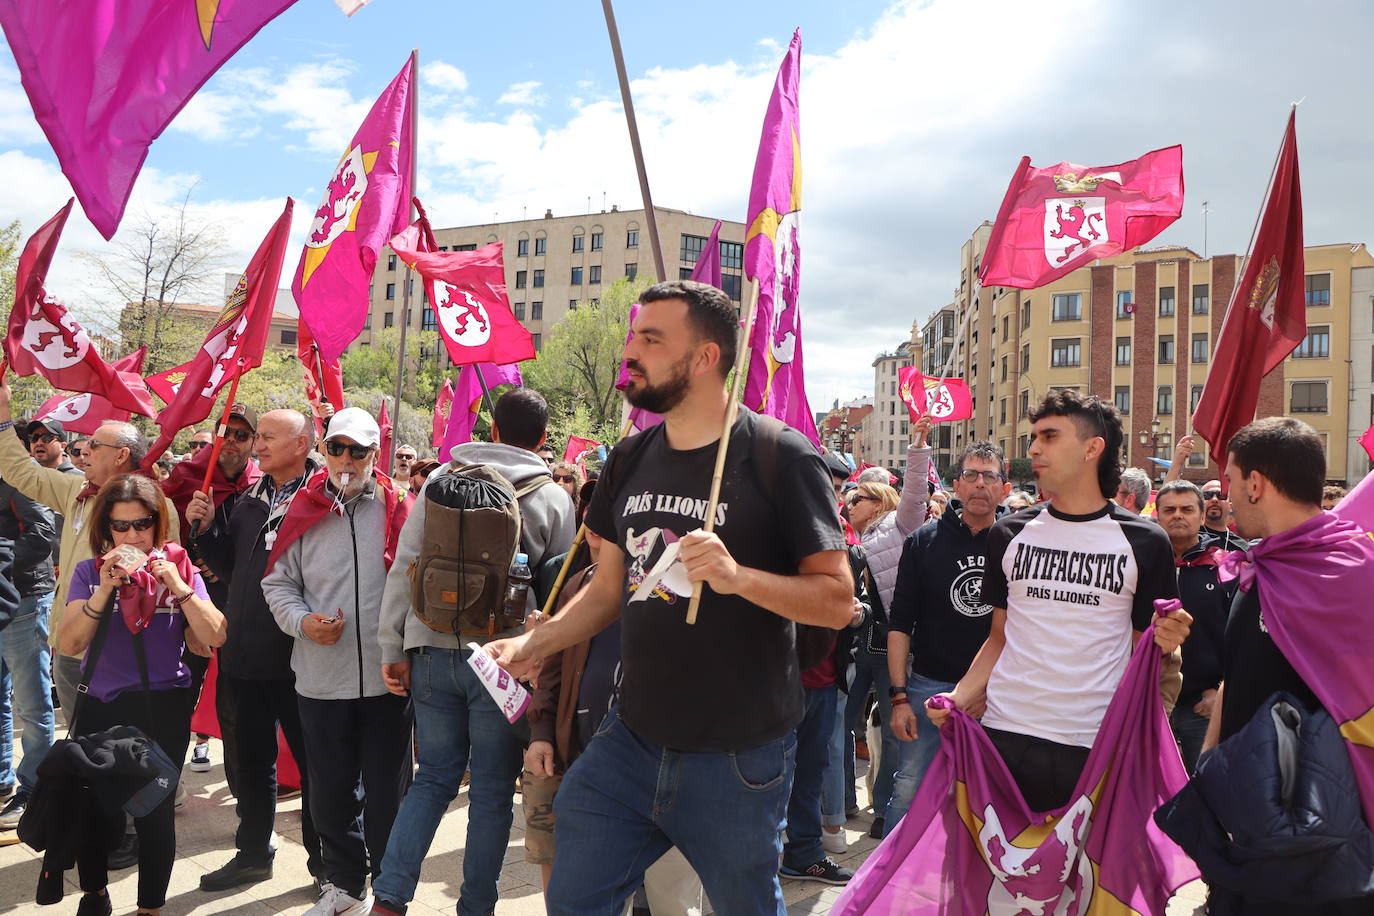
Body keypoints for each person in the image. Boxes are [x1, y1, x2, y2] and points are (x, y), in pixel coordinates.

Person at [484, 280, 852, 913]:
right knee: (572, 898)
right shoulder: (627, 459)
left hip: (738, 754)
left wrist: (738, 578)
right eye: (633, 335)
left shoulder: (781, 456)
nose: (631, 352)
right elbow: (607, 594)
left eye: (651, 339)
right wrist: (533, 642)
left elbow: (837, 601)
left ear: (705, 358)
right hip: (629, 739)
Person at [928, 390, 1191, 813]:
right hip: (1003, 735)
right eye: (1034, 437)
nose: (1033, 448)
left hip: (1094, 744)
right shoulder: (1008, 533)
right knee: (998, 872)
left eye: (1050, 436)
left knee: (1084, 878)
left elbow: (1144, 652)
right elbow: (999, 637)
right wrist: (960, 696)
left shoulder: (1145, 540)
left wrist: (1169, 639)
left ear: (1092, 448)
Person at [371, 388, 574, 916]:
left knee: (434, 778)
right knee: (488, 793)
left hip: (430, 651)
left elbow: (405, 566)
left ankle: (389, 899)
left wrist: (394, 645)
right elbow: (559, 595)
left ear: (493, 430)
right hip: (503, 663)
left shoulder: (440, 481)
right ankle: (476, 907)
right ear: (545, 439)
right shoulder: (553, 497)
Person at [1199, 417, 1374, 914]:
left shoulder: (1354, 573)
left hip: (1324, 847)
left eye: (1230, 480)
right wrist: (1208, 767)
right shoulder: (1263, 569)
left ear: (1255, 484)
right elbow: (1238, 675)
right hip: (1247, 830)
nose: (1227, 496)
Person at [262, 408, 412, 916]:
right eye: (337, 448)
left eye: (359, 450)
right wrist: (303, 622)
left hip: (390, 680)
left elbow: (418, 584)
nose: (347, 460)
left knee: (390, 794)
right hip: (321, 680)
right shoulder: (299, 509)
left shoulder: (401, 508)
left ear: (376, 454)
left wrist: (406, 650)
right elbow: (277, 583)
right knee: (329, 793)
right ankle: (345, 883)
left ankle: (390, 890)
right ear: (323, 450)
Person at [57, 473, 226, 916]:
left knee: (154, 814)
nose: (132, 534)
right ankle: (95, 894)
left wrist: (178, 585)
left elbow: (215, 635)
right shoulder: (87, 573)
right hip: (102, 706)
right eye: (120, 526)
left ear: (158, 523)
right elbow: (70, 644)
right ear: (105, 529)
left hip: (163, 708)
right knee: (95, 811)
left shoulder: (180, 568)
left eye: (142, 523)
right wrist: (106, 588)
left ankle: (150, 907)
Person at [189, 410, 324, 893]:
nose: (257, 446)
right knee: (250, 762)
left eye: (267, 437)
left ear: (302, 443)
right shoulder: (250, 499)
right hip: (243, 652)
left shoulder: (323, 497)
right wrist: (204, 531)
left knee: (315, 767)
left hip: (299, 656)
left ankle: (326, 865)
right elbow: (229, 570)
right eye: (256, 437)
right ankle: (252, 853)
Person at [0, 380, 180, 718]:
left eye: (94, 446)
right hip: (72, 642)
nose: (84, 450)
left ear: (121, 455)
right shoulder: (75, 490)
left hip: (125, 650)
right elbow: (19, 471)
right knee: (80, 749)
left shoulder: (158, 506)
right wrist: (3, 414)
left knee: (124, 749)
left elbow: (164, 582)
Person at [884, 440, 1010, 834]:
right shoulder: (923, 541)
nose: (979, 484)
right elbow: (901, 623)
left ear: (1004, 489)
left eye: (990, 476)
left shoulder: (1017, 543)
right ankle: (887, 885)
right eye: (971, 475)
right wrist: (899, 697)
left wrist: (989, 691)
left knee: (988, 799)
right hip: (928, 688)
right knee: (909, 789)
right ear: (957, 485)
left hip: (998, 693)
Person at [161, 404, 262, 783]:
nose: (231, 442)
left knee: (236, 707)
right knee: (178, 697)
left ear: (253, 442)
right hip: (191, 609)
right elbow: (161, 533)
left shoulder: (261, 485)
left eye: (241, 435)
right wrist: (190, 554)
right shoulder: (186, 479)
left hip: (240, 612)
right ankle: (164, 786)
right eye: (225, 432)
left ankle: (245, 800)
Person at [843, 416, 931, 839]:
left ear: (877, 502)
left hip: (899, 647)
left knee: (895, 735)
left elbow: (914, 494)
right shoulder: (858, 540)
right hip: (867, 644)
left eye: (857, 498)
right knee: (843, 724)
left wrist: (918, 446)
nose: (849, 504)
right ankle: (847, 802)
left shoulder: (899, 525)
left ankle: (885, 811)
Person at [1154, 480, 1232, 773]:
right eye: (1169, 509)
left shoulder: (1225, 568)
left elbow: (1238, 637)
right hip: (1149, 704)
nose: (1178, 515)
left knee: (1204, 792)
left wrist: (1219, 690)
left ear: (1201, 516)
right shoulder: (1140, 565)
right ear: (1157, 515)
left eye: (1187, 509)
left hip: (1203, 707)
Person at [0, 468, 58, 832]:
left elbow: (42, 536)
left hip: (26, 600)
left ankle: (35, 791)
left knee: (33, 704)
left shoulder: (19, 477)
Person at [1199, 478, 1249, 552]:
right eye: (1207, 495)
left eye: (1221, 496)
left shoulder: (1242, 548)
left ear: (1231, 506)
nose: (1214, 499)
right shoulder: (1188, 538)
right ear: (1198, 504)